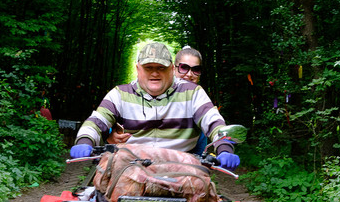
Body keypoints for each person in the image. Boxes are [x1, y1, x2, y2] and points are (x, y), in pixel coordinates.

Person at [69, 42, 240, 169]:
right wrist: (85, 141)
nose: (155, 73)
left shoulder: (193, 93)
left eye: (161, 67)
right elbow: (96, 121)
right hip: (129, 168)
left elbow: (213, 122)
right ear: (138, 69)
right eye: (148, 67)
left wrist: (225, 148)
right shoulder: (120, 94)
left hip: (182, 169)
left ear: (172, 69)